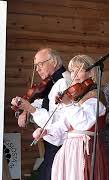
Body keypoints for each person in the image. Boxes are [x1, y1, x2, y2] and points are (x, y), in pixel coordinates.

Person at [32, 54, 109, 180]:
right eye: (72, 71)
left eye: (78, 70)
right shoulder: (75, 101)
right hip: (71, 152)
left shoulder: (95, 100)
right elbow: (64, 125)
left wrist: (68, 104)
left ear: (90, 73)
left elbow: (83, 123)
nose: (74, 75)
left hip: (87, 151)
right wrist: (46, 131)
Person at [11, 48, 71, 180]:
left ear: (54, 61)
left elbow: (54, 122)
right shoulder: (53, 81)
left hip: (60, 145)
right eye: (36, 66)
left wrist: (30, 109)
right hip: (53, 144)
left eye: (40, 64)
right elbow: (44, 102)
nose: (37, 69)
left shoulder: (63, 82)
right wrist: (25, 108)